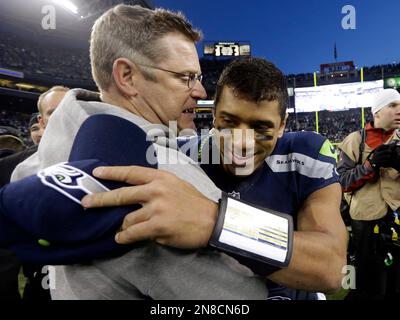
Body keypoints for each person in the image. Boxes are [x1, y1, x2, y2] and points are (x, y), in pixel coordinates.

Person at [3, 4, 270, 300]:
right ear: (127, 77)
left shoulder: (40, 157)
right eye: (186, 77)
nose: (201, 92)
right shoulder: (156, 177)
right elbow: (242, 297)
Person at [337, 88, 400, 300]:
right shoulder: (354, 140)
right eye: (393, 105)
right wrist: (370, 165)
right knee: (366, 285)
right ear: (377, 112)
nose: (399, 110)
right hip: (365, 223)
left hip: (397, 219)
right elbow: (342, 183)